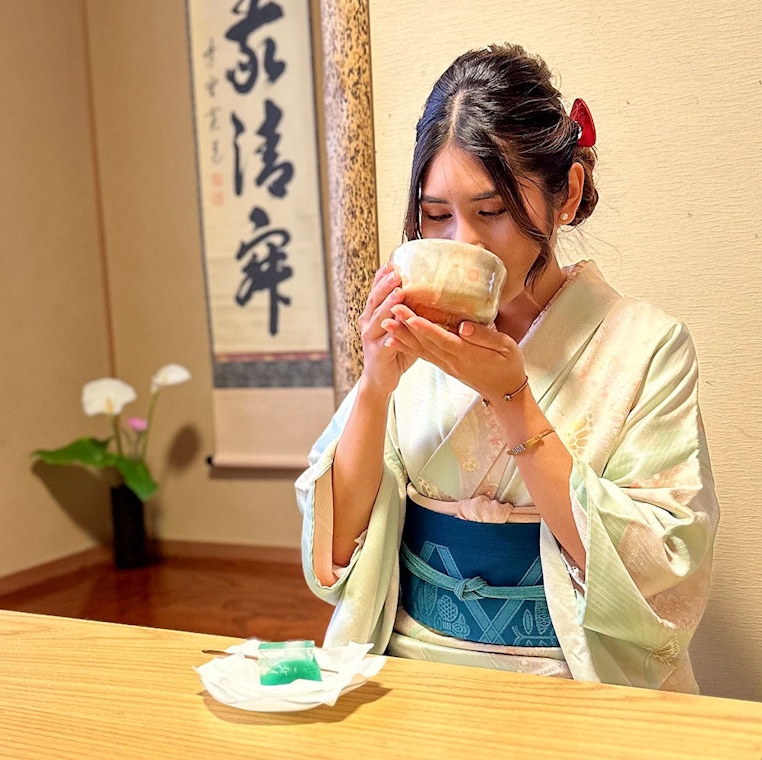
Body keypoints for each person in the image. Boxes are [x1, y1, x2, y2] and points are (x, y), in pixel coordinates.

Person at [295, 43, 719, 693]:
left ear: (567, 195)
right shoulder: (418, 342)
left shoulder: (647, 345)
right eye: (437, 216)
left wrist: (513, 399)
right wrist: (377, 384)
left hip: (571, 678)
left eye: (490, 212)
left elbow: (663, 560)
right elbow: (338, 552)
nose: (460, 242)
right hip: (413, 671)